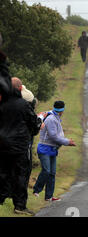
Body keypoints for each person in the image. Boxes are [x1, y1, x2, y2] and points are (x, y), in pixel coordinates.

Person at [0, 77, 41, 215]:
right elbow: (34, 124)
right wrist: (35, 129)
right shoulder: (23, 105)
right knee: (20, 175)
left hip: (2, 144)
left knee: (3, 173)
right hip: (19, 145)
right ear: (19, 89)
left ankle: (1, 199)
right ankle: (19, 206)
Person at [33, 101, 76, 202]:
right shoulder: (52, 119)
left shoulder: (55, 117)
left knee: (52, 173)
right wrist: (67, 142)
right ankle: (36, 190)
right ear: (62, 110)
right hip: (45, 148)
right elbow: (53, 136)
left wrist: (65, 141)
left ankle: (49, 196)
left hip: (52, 149)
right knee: (46, 170)